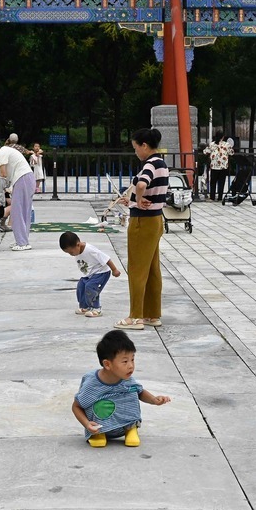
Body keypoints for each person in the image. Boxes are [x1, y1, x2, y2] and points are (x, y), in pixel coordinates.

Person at [71, 329, 171, 448]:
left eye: (132, 359)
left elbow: (140, 392)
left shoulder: (127, 379)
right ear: (107, 364)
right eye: (125, 361)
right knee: (101, 404)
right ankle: (98, 435)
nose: (131, 365)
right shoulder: (92, 384)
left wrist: (154, 400)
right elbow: (76, 406)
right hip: (99, 427)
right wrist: (87, 424)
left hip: (125, 425)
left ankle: (131, 429)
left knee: (131, 393)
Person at [118, 128, 168, 330]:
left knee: (137, 269)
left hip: (142, 222)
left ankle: (135, 316)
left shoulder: (149, 164)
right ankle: (152, 314)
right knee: (153, 269)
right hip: (156, 220)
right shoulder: (162, 163)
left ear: (144, 146)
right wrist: (131, 200)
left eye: (136, 147)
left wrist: (137, 201)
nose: (136, 152)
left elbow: (141, 184)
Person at [0, 134, 35, 250]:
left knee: (17, 211)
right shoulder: (5, 150)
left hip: (22, 179)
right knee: (23, 211)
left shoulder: (0, 154)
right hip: (26, 178)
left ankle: (22, 243)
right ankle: (23, 241)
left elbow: (3, 175)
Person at [59, 230, 122, 317]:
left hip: (101, 273)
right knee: (81, 286)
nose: (71, 255)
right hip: (89, 275)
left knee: (91, 287)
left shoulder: (90, 250)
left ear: (78, 244)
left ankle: (96, 308)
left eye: (71, 252)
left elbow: (106, 258)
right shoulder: (76, 249)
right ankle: (85, 307)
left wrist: (114, 270)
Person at [205, 132, 231, 203]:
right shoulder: (226, 144)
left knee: (213, 182)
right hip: (223, 166)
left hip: (214, 166)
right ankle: (220, 197)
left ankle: (212, 197)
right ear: (223, 137)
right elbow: (231, 152)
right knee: (221, 182)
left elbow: (206, 151)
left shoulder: (212, 144)